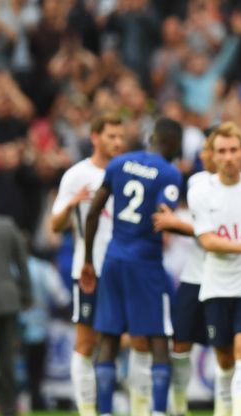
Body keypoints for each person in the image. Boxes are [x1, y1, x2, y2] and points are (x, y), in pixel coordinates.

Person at [49, 113, 155, 416]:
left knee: (140, 339)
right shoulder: (77, 175)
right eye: (111, 136)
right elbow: (55, 226)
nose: (117, 142)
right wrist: (71, 204)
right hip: (90, 270)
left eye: (120, 137)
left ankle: (140, 410)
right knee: (86, 343)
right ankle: (87, 411)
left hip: (130, 268)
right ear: (95, 137)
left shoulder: (132, 173)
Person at [81, 117, 184, 416]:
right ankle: (158, 412)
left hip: (113, 259)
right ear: (174, 144)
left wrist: (88, 259)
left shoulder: (119, 163)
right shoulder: (169, 173)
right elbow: (164, 217)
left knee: (109, 336)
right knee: (158, 337)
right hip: (146, 263)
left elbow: (92, 213)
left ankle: (103, 412)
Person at [187, 122, 241, 415]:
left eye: (234, 150)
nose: (228, 157)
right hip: (216, 286)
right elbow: (208, 241)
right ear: (211, 154)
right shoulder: (200, 192)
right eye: (221, 151)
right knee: (224, 360)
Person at [151, 130, 216, 416]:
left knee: (227, 349)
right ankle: (179, 408)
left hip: (226, 279)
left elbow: (216, 231)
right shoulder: (196, 183)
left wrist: (178, 225)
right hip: (193, 275)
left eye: (208, 149)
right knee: (180, 344)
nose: (203, 155)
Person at [0, 212, 31, 416]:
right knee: (7, 359)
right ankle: (8, 409)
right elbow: (22, 262)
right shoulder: (7, 225)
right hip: (6, 301)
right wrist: (27, 294)